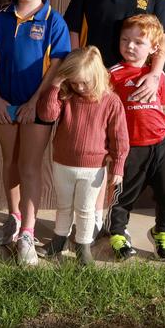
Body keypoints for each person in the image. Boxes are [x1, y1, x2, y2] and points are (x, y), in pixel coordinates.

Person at [63, 0, 165, 236]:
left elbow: (164, 35)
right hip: (98, 85)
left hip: (135, 89)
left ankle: (112, 220)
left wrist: (155, 74)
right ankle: (92, 219)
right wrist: (78, 70)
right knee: (96, 150)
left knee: (123, 155)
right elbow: (72, 28)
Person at [0, 0, 71, 265]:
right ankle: (14, 220)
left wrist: (34, 103)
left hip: (38, 108)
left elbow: (57, 66)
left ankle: (29, 234)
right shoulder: (0, 18)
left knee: (30, 166)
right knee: (11, 162)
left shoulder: (53, 22)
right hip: (4, 104)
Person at [37, 47, 129, 266]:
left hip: (93, 168)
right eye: (74, 82)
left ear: (97, 76)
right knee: (64, 205)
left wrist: (118, 167)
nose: (79, 87)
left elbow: (120, 138)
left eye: (84, 83)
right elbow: (47, 115)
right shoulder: (67, 96)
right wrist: (55, 84)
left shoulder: (111, 102)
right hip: (62, 164)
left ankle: (83, 247)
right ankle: (59, 240)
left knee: (86, 209)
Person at [107, 14, 165, 260]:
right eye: (124, 40)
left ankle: (162, 234)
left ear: (154, 47)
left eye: (138, 42)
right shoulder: (113, 74)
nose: (129, 46)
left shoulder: (157, 75)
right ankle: (117, 234)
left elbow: (159, 105)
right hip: (130, 147)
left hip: (160, 146)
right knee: (124, 195)